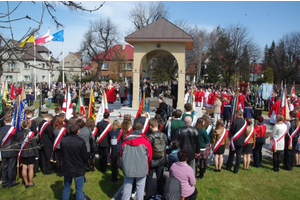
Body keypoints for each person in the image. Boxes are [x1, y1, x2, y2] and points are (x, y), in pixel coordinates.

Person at [120, 122, 152, 200]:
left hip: (128, 168)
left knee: (127, 188)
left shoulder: (125, 141)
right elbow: (150, 156)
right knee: (140, 189)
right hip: (141, 168)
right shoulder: (145, 141)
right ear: (141, 130)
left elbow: (121, 154)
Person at [61, 124, 88, 200]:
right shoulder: (80, 142)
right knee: (79, 189)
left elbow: (61, 153)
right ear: (78, 131)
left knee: (66, 187)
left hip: (67, 166)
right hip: (78, 168)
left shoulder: (63, 140)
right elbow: (85, 157)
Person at [145, 118, 168, 199]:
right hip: (161, 158)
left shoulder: (149, 137)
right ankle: (160, 192)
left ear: (151, 127)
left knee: (149, 177)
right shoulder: (164, 135)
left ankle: (148, 194)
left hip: (151, 160)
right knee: (160, 176)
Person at [17, 119, 39, 188]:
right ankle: (30, 182)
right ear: (28, 124)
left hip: (22, 153)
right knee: (30, 168)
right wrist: (37, 154)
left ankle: (26, 182)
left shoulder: (19, 133)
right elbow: (34, 145)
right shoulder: (31, 134)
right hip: (30, 153)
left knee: (24, 167)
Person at [0, 114, 19, 188]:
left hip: (4, 150)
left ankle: (4, 182)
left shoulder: (0, 129)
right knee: (11, 167)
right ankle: (11, 182)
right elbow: (17, 140)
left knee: (4, 166)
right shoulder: (14, 129)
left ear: (4, 121)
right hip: (12, 150)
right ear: (11, 121)